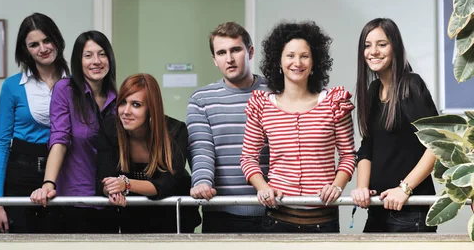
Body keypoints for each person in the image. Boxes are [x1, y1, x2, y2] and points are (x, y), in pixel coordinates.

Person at [240, 21, 355, 233]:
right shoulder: (262, 105)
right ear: (279, 61)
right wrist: (263, 187)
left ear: (314, 62)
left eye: (304, 56)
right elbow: (248, 158)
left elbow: (348, 155)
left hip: (324, 219)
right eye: (290, 55)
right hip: (277, 218)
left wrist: (337, 186)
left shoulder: (334, 103)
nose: (297, 62)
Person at [350, 18, 437, 233]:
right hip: (378, 206)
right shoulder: (372, 90)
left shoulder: (411, 85)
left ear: (395, 47)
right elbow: (367, 147)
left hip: (410, 210)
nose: (373, 52)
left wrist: (404, 189)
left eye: (382, 44)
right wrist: (361, 187)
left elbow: (437, 144)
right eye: (367, 45)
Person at [30, 30, 118, 233]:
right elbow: (59, 139)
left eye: (102, 54)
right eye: (88, 55)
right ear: (78, 61)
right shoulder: (65, 90)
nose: (96, 61)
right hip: (73, 200)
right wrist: (48, 184)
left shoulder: (117, 98)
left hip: (110, 201)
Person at [186, 22, 269, 233]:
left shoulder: (276, 93)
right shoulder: (202, 99)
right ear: (214, 60)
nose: (229, 59)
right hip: (221, 212)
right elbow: (202, 150)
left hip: (273, 210)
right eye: (221, 53)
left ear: (250, 52)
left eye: (235, 50)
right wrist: (202, 183)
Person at [0, 13, 69, 233]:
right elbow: (2, 144)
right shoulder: (12, 86)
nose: (42, 48)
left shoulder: (74, 84)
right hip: (20, 177)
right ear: (25, 50)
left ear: (57, 40)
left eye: (47, 40)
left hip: (63, 176)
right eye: (34, 44)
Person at [102, 73, 201, 233]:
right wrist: (111, 190)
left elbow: (169, 183)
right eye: (122, 103)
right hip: (133, 217)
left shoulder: (175, 130)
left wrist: (125, 184)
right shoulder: (110, 129)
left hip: (174, 219)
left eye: (136, 105)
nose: (126, 111)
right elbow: (104, 176)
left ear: (151, 108)